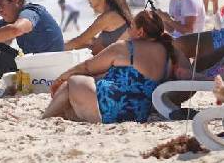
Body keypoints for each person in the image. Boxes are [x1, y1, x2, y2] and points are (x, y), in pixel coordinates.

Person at [43, 10, 189, 124]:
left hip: (108, 106)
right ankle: (53, 116)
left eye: (131, 27)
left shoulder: (125, 48)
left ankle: (45, 118)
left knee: (72, 81)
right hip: (137, 113)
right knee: (68, 105)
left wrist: (62, 77)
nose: (128, 30)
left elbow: (88, 67)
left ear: (140, 32)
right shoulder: (167, 52)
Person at [64, 0, 133, 54]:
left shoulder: (107, 17)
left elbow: (78, 41)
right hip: (122, 57)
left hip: (117, 59)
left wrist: (55, 48)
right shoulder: (118, 13)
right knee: (89, 41)